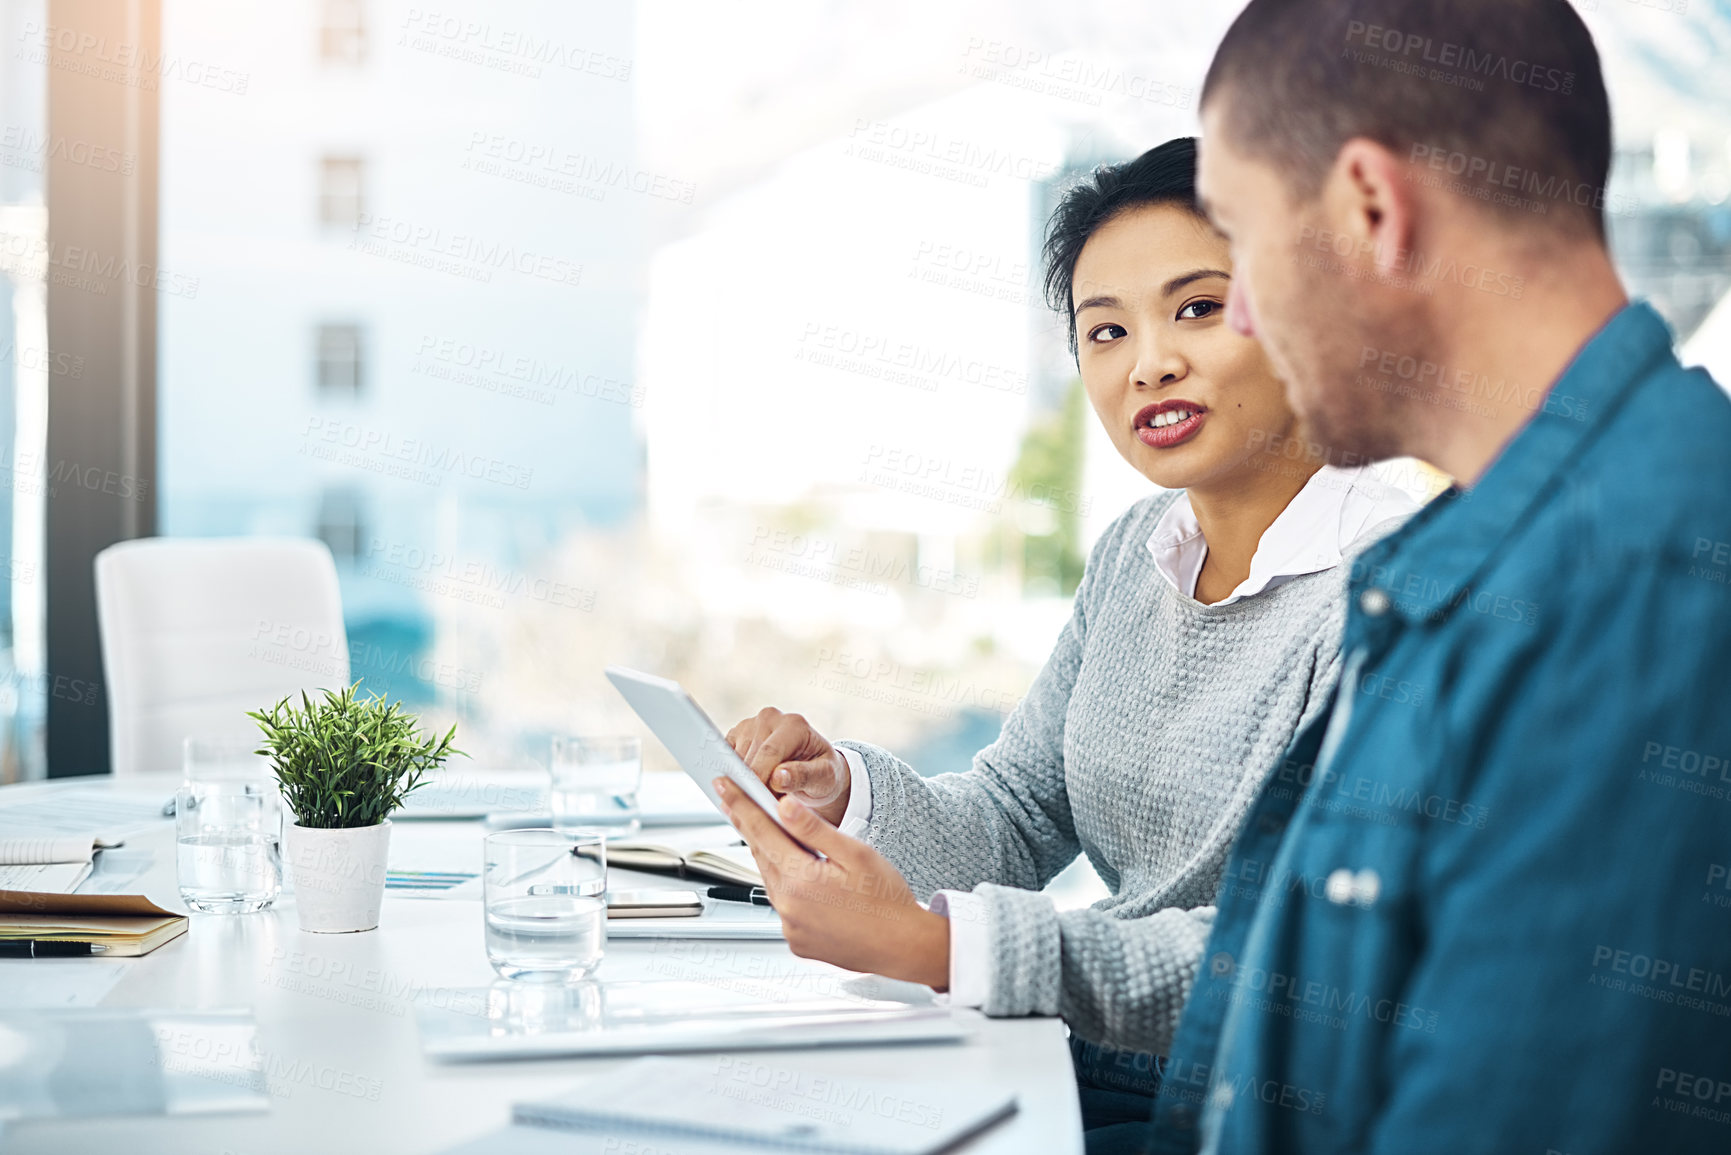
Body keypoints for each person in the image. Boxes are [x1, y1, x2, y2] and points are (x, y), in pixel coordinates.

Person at [712, 137, 1417, 1151]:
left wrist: (943, 947)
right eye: (1105, 332)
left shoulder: (1397, 594)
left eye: (1199, 308)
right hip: (1087, 1065)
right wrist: (841, 794)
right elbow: (1013, 815)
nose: (1149, 362)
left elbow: (1296, 957)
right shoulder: (1139, 553)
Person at [1135, 2, 1731, 1153]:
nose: (1246, 314)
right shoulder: (1490, 562)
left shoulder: (1634, 593)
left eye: (1240, 243)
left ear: (1373, 209)